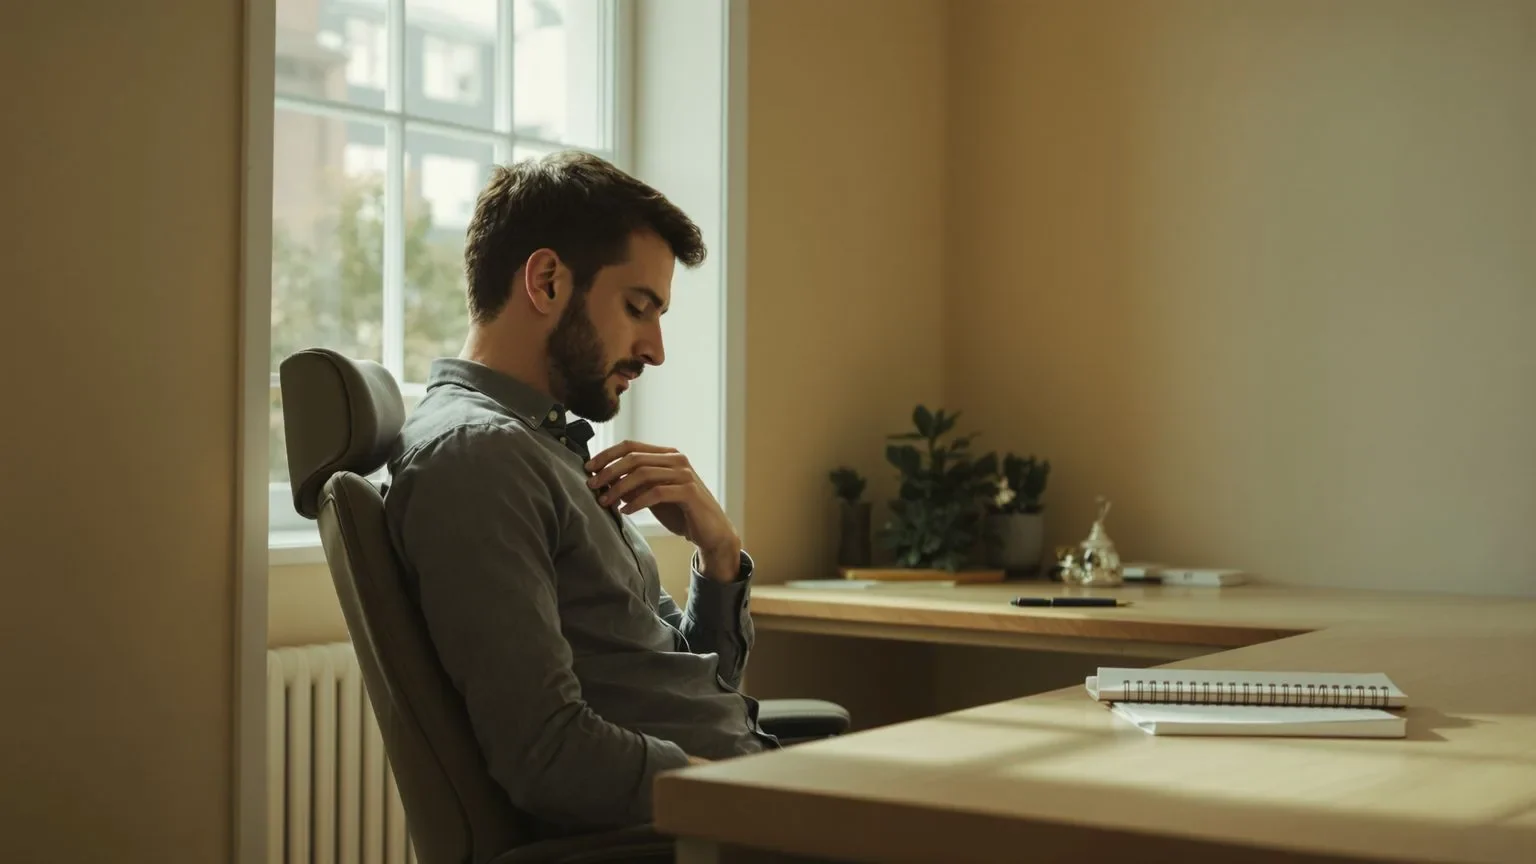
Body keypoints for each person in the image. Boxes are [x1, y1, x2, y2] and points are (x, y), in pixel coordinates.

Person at [382, 151, 773, 835]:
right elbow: (549, 755)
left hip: (723, 806)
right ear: (547, 281)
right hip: (699, 832)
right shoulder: (479, 461)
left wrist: (720, 552)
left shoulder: (542, 446)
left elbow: (675, 684)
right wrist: (756, 800)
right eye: (638, 307)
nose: (655, 349)